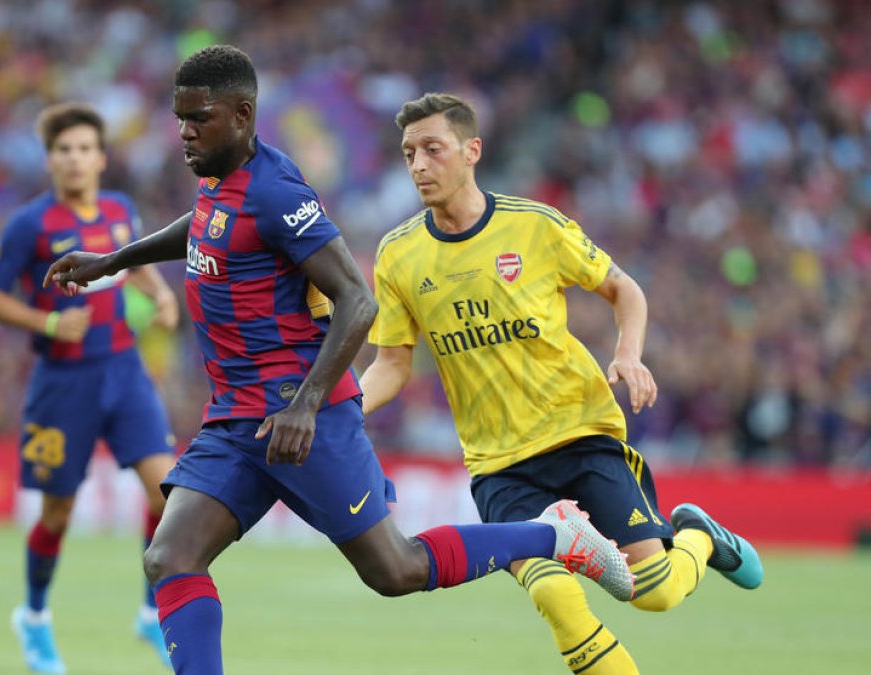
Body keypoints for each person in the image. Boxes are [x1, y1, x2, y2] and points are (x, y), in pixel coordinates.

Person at [45, 45, 633, 675]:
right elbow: (205, 224)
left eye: (200, 118)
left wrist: (304, 405)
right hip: (237, 418)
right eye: (180, 117)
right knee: (170, 556)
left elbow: (357, 301)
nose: (185, 132)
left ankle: (555, 536)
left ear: (243, 115)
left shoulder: (277, 190)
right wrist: (113, 262)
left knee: (396, 569)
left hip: (304, 417)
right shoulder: (221, 182)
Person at [360, 92, 765, 674]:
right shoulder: (397, 254)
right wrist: (343, 405)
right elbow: (392, 364)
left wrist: (629, 354)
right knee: (554, 595)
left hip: (580, 434)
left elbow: (625, 288)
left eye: (433, 149)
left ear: (472, 151)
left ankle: (700, 537)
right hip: (499, 465)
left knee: (652, 592)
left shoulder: (534, 225)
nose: (419, 165)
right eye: (408, 154)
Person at [0, 102, 180, 673]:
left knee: (167, 497)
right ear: (50, 160)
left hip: (124, 370)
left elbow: (133, 259)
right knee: (58, 514)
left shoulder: (119, 209)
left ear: (101, 158)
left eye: (86, 148)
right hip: (63, 383)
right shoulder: (29, 224)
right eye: (65, 150)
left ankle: (152, 612)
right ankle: (34, 617)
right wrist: (46, 323)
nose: (76, 159)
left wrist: (161, 294)